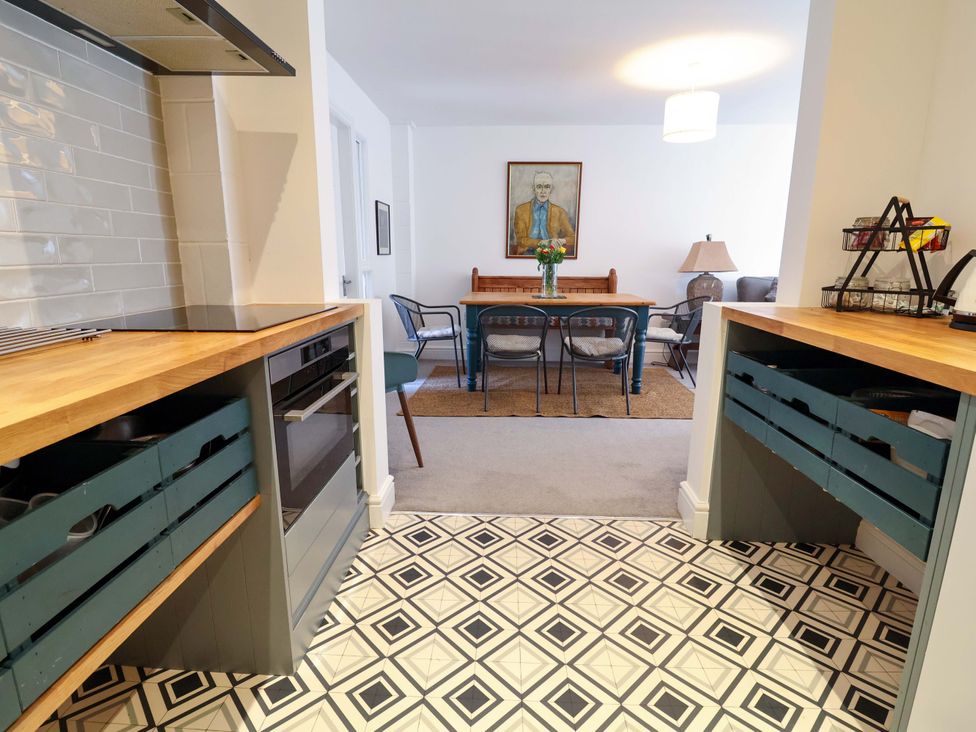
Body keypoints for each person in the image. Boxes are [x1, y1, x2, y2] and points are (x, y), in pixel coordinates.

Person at [512, 171, 576, 256]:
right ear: (533, 189)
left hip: (552, 253)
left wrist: (561, 241)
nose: (543, 191)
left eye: (547, 187)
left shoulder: (560, 212)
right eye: (539, 187)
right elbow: (520, 240)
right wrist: (542, 242)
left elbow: (573, 238)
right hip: (527, 253)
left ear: (551, 189)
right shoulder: (521, 210)